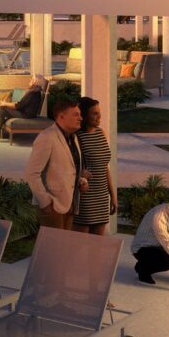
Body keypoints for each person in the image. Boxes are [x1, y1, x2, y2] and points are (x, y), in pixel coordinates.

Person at [23, 96, 85, 230]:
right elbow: (31, 173)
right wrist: (45, 203)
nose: (80, 118)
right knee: (53, 244)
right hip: (53, 207)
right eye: (75, 114)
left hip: (70, 204)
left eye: (80, 114)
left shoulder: (73, 138)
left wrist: (80, 180)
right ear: (61, 117)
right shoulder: (47, 137)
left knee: (65, 243)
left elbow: (66, 168)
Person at [72, 96, 115, 234]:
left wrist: (113, 196)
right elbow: (69, 165)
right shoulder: (77, 136)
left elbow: (105, 167)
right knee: (81, 242)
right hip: (85, 195)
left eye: (99, 112)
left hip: (102, 196)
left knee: (98, 242)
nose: (99, 116)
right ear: (84, 116)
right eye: (95, 113)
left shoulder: (101, 133)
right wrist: (80, 174)